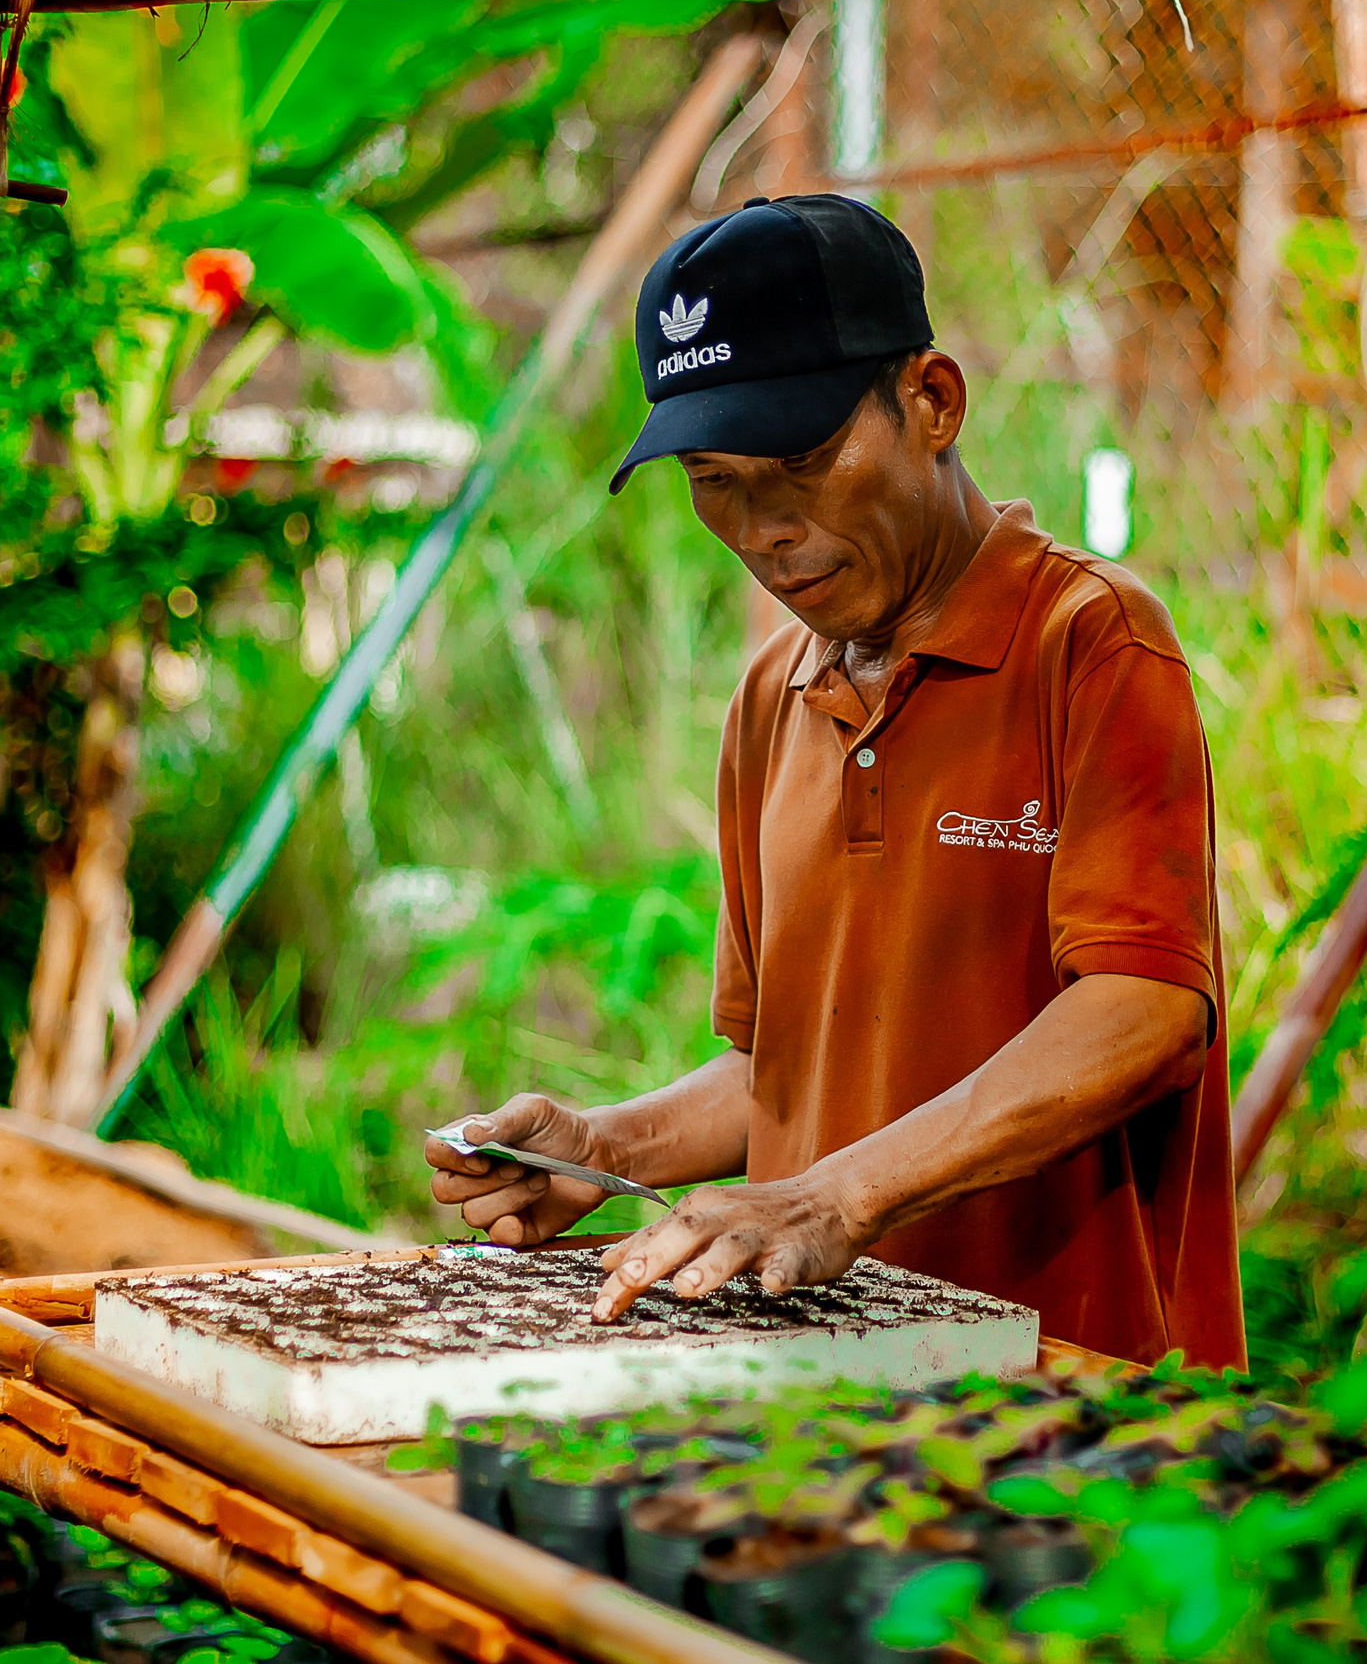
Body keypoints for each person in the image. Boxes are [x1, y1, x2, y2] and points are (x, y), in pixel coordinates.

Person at [425, 194, 1243, 1368]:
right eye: (714, 479)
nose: (763, 528)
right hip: (829, 1401)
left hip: (1073, 1403)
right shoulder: (772, 699)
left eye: (802, 461)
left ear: (932, 401)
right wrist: (605, 1154)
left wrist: (835, 1199)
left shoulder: (1091, 642)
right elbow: (777, 1066)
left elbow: (1146, 1010)